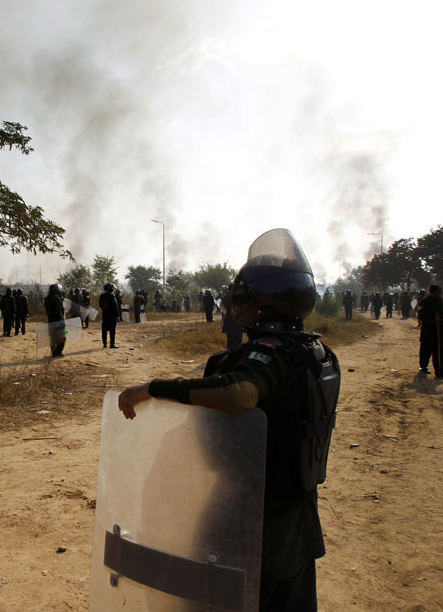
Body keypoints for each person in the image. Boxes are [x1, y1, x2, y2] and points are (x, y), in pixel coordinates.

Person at [117, 228, 340, 611]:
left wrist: (153, 387)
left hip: (249, 515)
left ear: (256, 302)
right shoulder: (317, 352)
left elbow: (238, 393)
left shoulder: (269, 356)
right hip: (299, 516)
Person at [417, 285, 443, 379]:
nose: (440, 293)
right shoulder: (424, 302)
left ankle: (440, 372)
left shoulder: (440, 300)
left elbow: (442, 315)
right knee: (426, 351)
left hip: (439, 331)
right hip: (428, 331)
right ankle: (423, 367)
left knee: (440, 352)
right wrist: (433, 320)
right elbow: (421, 317)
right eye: (438, 291)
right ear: (432, 292)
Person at [44, 283, 66, 357]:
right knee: (62, 337)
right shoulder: (56, 299)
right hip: (58, 321)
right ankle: (58, 352)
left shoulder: (47, 299)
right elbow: (58, 312)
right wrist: (62, 322)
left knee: (52, 338)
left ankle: (54, 352)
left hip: (51, 321)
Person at [99, 282, 119, 348]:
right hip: (112, 316)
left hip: (105, 315)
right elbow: (114, 306)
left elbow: (100, 305)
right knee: (112, 331)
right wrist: (117, 316)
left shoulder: (102, 296)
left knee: (104, 330)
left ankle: (104, 344)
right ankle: (112, 344)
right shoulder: (111, 296)